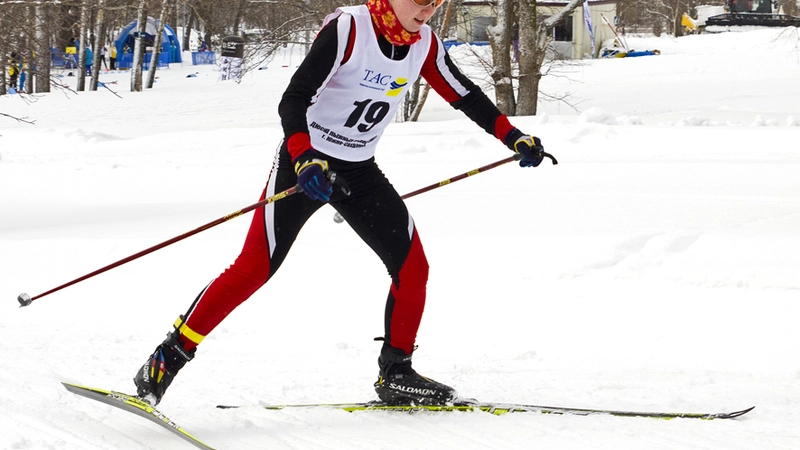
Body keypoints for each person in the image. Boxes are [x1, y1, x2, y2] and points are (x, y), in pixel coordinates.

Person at [133, 0, 550, 407]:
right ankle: (165, 360)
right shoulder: (350, 29)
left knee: (412, 268)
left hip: (359, 172)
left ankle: (397, 373)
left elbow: (466, 95)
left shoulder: (424, 44)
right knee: (254, 268)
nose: (427, 12)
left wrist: (512, 136)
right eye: (422, 2)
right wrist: (303, 157)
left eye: (435, 5)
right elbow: (293, 98)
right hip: (306, 166)